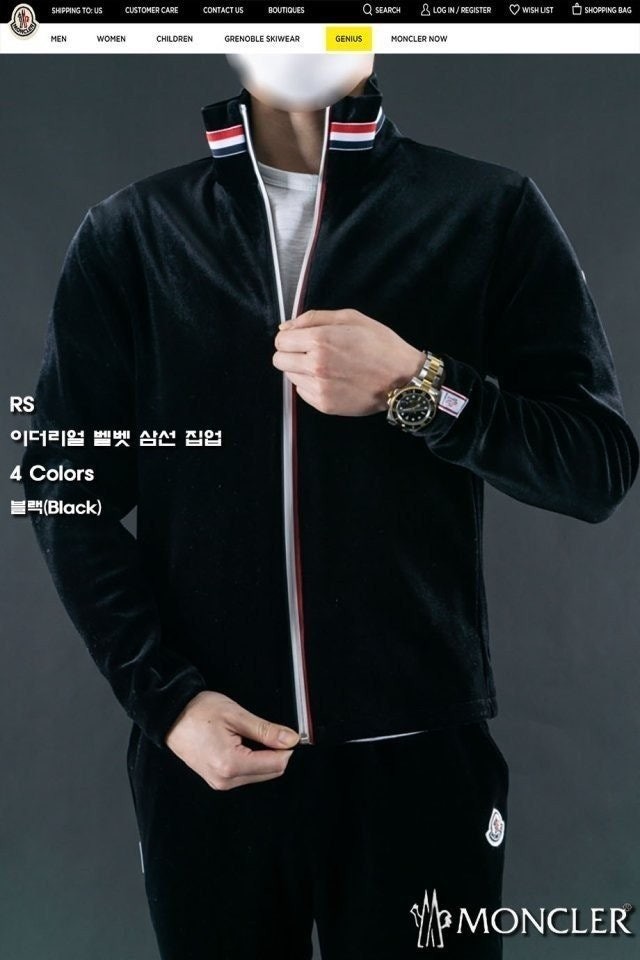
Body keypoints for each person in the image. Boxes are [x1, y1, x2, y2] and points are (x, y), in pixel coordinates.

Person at [23, 53, 638, 958]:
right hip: (209, 767)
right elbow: (61, 487)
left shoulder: (485, 210)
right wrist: (169, 702)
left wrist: (417, 385)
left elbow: (596, 464)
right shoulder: (134, 233)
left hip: (420, 766)